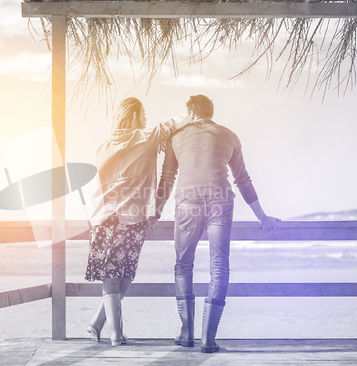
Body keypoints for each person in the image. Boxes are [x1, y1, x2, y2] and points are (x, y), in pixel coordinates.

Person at [152, 94, 280, 353]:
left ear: (190, 112)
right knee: (219, 266)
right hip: (221, 201)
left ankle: (187, 333)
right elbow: (243, 179)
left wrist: (155, 211)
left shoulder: (175, 137)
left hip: (186, 202)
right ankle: (208, 339)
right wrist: (262, 217)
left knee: (183, 265)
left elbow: (167, 177)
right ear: (211, 111)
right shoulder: (230, 135)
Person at [85, 97, 192, 347]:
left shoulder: (103, 147)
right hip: (128, 217)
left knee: (121, 277)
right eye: (143, 113)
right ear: (133, 115)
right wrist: (185, 118)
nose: (146, 117)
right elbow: (179, 120)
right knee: (117, 277)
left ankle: (97, 324)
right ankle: (116, 334)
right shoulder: (147, 138)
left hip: (105, 217)